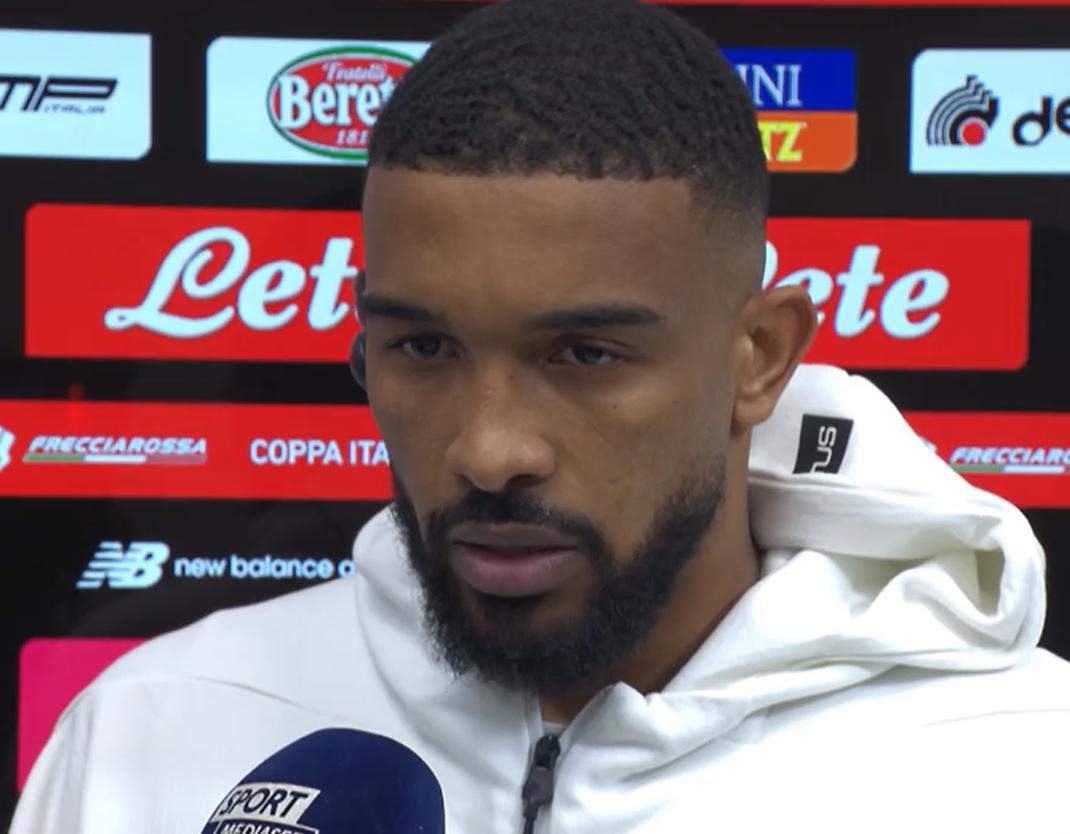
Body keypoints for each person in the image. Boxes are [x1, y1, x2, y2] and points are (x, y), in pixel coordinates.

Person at [12, 0, 1070, 831]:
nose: (489, 451)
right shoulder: (148, 731)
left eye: (585, 355)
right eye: (423, 348)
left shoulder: (1023, 767)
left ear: (759, 358)